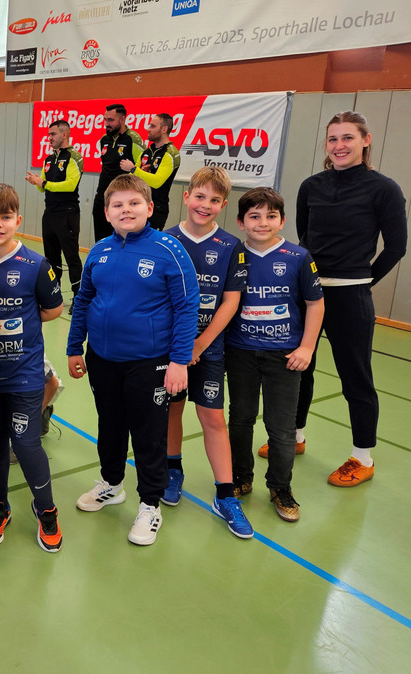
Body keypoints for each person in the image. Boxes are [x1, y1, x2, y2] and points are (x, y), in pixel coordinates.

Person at [67, 174, 198, 547]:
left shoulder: (169, 250)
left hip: (150, 361)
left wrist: (179, 361)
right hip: (102, 358)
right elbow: (84, 300)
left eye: (134, 203)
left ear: (150, 208)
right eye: (118, 205)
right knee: (109, 425)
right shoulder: (99, 251)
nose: (126, 210)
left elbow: (187, 306)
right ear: (107, 212)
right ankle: (111, 483)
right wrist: (75, 346)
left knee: (148, 434)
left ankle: (150, 504)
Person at [291, 111, 408, 488]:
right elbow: (305, 236)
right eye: (333, 139)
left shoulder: (384, 189)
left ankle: (362, 457)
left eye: (348, 138)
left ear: (365, 140)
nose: (339, 146)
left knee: (355, 377)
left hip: (351, 296)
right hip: (308, 293)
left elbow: (396, 247)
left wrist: (361, 280)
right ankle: (294, 436)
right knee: (298, 368)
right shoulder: (311, 186)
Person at [0, 183, 64, 552]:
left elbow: (53, 310)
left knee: (25, 444)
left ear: (18, 221)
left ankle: (47, 510)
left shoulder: (35, 265)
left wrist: (21, 323)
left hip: (24, 374)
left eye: (5, 217)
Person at [162, 167, 253, 539]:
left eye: (214, 200)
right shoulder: (165, 240)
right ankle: (173, 470)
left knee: (213, 418)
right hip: (170, 349)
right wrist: (180, 347)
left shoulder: (232, 247)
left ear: (223, 205)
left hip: (209, 349)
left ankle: (225, 494)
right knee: (172, 409)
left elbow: (230, 302)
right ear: (187, 197)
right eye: (200, 196)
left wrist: (199, 344)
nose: (205, 205)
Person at [228, 188, 324, 522]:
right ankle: (240, 477)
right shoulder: (233, 255)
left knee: (281, 428)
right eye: (254, 216)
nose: (262, 223)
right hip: (240, 352)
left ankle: (280, 487)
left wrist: (307, 347)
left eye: (271, 216)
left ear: (282, 221)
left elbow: (315, 304)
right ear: (241, 222)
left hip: (285, 355)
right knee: (240, 418)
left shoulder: (298, 257)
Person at [25, 119, 83, 311]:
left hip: (67, 215)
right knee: (51, 257)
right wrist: (37, 182)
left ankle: (78, 297)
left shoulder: (74, 157)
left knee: (72, 257)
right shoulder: (49, 159)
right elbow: (44, 187)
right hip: (49, 214)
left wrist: (44, 184)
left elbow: (71, 185)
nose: (49, 138)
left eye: (53, 134)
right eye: (48, 134)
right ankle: (54, 293)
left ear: (64, 135)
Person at [93, 104, 144, 242]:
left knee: (122, 241)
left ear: (122, 119)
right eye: (105, 120)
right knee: (101, 240)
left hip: (122, 201)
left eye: (110, 120)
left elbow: (142, 171)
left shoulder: (133, 139)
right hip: (102, 197)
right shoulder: (104, 139)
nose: (106, 124)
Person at [122, 113, 180, 230]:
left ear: (164, 129)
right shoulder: (146, 152)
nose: (148, 129)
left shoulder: (170, 153)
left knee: (148, 241)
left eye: (153, 126)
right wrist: (138, 172)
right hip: (138, 206)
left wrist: (134, 169)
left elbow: (157, 182)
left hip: (156, 209)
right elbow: (131, 178)